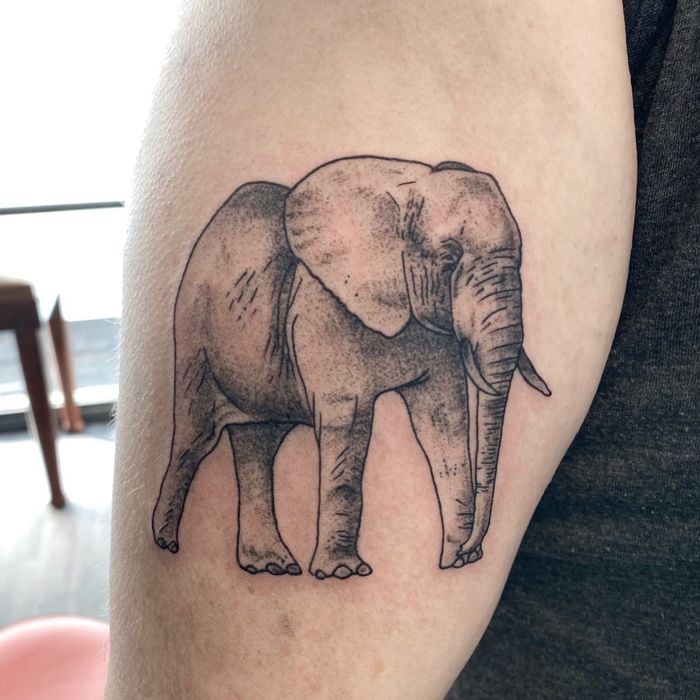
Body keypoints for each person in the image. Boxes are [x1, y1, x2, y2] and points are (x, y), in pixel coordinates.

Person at [107, 1, 696, 697]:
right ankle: (217, 518)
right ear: (383, 249)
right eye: (453, 262)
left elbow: (447, 424)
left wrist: (461, 537)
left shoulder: (435, 320)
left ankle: (293, 535)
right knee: (203, 437)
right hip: (249, 353)